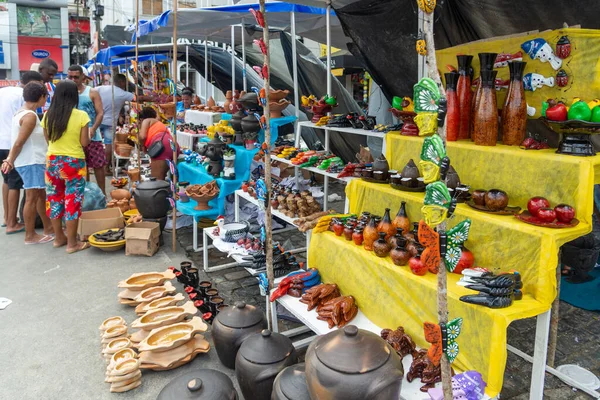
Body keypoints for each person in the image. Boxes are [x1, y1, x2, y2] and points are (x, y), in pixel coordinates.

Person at [42, 80, 91, 254]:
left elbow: (48, 139)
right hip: (73, 163)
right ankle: (72, 243)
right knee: (72, 200)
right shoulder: (81, 116)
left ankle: (58, 238)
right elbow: (84, 142)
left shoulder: (48, 115)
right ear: (74, 95)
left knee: (54, 198)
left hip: (52, 161)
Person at [1, 82, 54, 244]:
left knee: (39, 195)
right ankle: (30, 235)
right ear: (41, 97)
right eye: (45, 97)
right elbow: (19, 142)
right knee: (32, 197)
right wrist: (10, 159)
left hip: (32, 161)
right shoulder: (29, 116)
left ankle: (48, 227)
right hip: (32, 161)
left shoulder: (22, 113)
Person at [0, 71, 43, 234]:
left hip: (4, 142)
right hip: (15, 146)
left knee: (8, 182)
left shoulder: (3, 91)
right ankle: (14, 224)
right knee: (19, 186)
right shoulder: (24, 99)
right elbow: (22, 137)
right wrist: (11, 158)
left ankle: (8, 218)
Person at [96, 74, 152, 171]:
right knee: (108, 144)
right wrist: (154, 99)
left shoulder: (100, 88)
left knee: (96, 143)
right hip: (110, 122)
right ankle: (105, 168)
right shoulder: (122, 93)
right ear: (122, 82)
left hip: (97, 120)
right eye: (125, 82)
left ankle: (96, 166)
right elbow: (139, 98)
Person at [67, 65, 106, 195]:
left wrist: (93, 128)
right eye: (70, 77)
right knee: (80, 167)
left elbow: (100, 113)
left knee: (98, 165)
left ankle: (102, 194)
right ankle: (85, 194)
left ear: (83, 77)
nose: (73, 79)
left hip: (92, 136)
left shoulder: (92, 92)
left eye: (76, 77)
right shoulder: (65, 93)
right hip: (73, 137)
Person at [138, 107, 178, 180]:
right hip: (172, 145)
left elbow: (142, 137)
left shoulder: (146, 120)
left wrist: (143, 147)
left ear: (141, 119)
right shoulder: (157, 122)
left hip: (161, 148)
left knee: (156, 182)